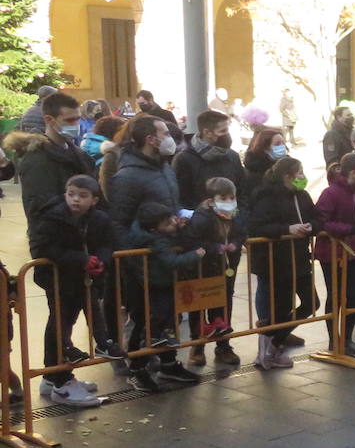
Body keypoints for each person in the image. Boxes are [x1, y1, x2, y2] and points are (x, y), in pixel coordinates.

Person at [27, 174, 113, 407]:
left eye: (82, 196)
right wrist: (80, 260)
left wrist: (100, 261)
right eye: (71, 194)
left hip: (83, 279)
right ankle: (61, 381)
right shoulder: (52, 217)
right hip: (58, 279)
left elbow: (107, 243)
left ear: (94, 200)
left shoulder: (99, 219)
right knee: (60, 323)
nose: (75, 200)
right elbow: (42, 248)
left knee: (65, 322)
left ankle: (52, 375)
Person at [122, 203, 207, 392]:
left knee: (168, 320)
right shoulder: (154, 240)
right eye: (168, 222)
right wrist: (195, 255)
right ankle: (137, 368)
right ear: (154, 227)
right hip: (147, 284)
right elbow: (171, 261)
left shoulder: (160, 231)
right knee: (146, 322)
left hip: (162, 284)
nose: (173, 223)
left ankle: (168, 363)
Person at [246, 157, 319, 369]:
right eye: (299, 173)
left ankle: (276, 341)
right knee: (279, 309)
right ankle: (267, 349)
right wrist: (287, 229)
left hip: (299, 259)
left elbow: (316, 218)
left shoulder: (303, 196)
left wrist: (309, 226)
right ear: (287, 176)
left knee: (311, 303)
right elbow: (258, 226)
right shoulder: (266, 196)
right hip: (276, 262)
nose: (303, 177)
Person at [314, 152, 355, 357]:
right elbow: (322, 223)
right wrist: (350, 228)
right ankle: (334, 340)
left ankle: (348, 338)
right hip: (332, 252)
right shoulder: (330, 193)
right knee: (335, 297)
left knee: (354, 295)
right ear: (353, 172)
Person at [184, 176, 246, 367]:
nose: (229, 202)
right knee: (199, 305)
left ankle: (223, 344)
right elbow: (191, 240)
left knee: (224, 302)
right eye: (223, 197)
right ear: (211, 200)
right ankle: (197, 345)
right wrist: (215, 247)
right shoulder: (202, 217)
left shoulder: (236, 215)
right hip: (203, 268)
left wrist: (235, 243)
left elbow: (241, 232)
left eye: (232, 197)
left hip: (226, 267)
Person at [10, 91, 97, 220]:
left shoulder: (82, 156)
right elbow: (39, 209)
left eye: (78, 119)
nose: (76, 125)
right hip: (54, 235)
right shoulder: (36, 160)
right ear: (49, 120)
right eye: (70, 120)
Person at [107, 115, 180, 241]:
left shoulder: (165, 167)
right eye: (166, 134)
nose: (170, 139)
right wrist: (132, 257)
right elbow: (119, 224)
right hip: (146, 251)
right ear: (151, 140)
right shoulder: (127, 177)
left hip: (169, 249)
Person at [173, 110, 244, 212]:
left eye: (227, 130)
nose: (227, 135)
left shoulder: (232, 156)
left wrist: (240, 218)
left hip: (233, 220)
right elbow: (183, 198)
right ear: (207, 132)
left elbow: (242, 192)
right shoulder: (184, 160)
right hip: (202, 222)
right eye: (223, 131)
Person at [242, 127, 289, 208]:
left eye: (283, 143)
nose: (282, 146)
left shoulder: (289, 165)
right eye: (277, 144)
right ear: (265, 148)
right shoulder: (253, 173)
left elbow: (300, 185)